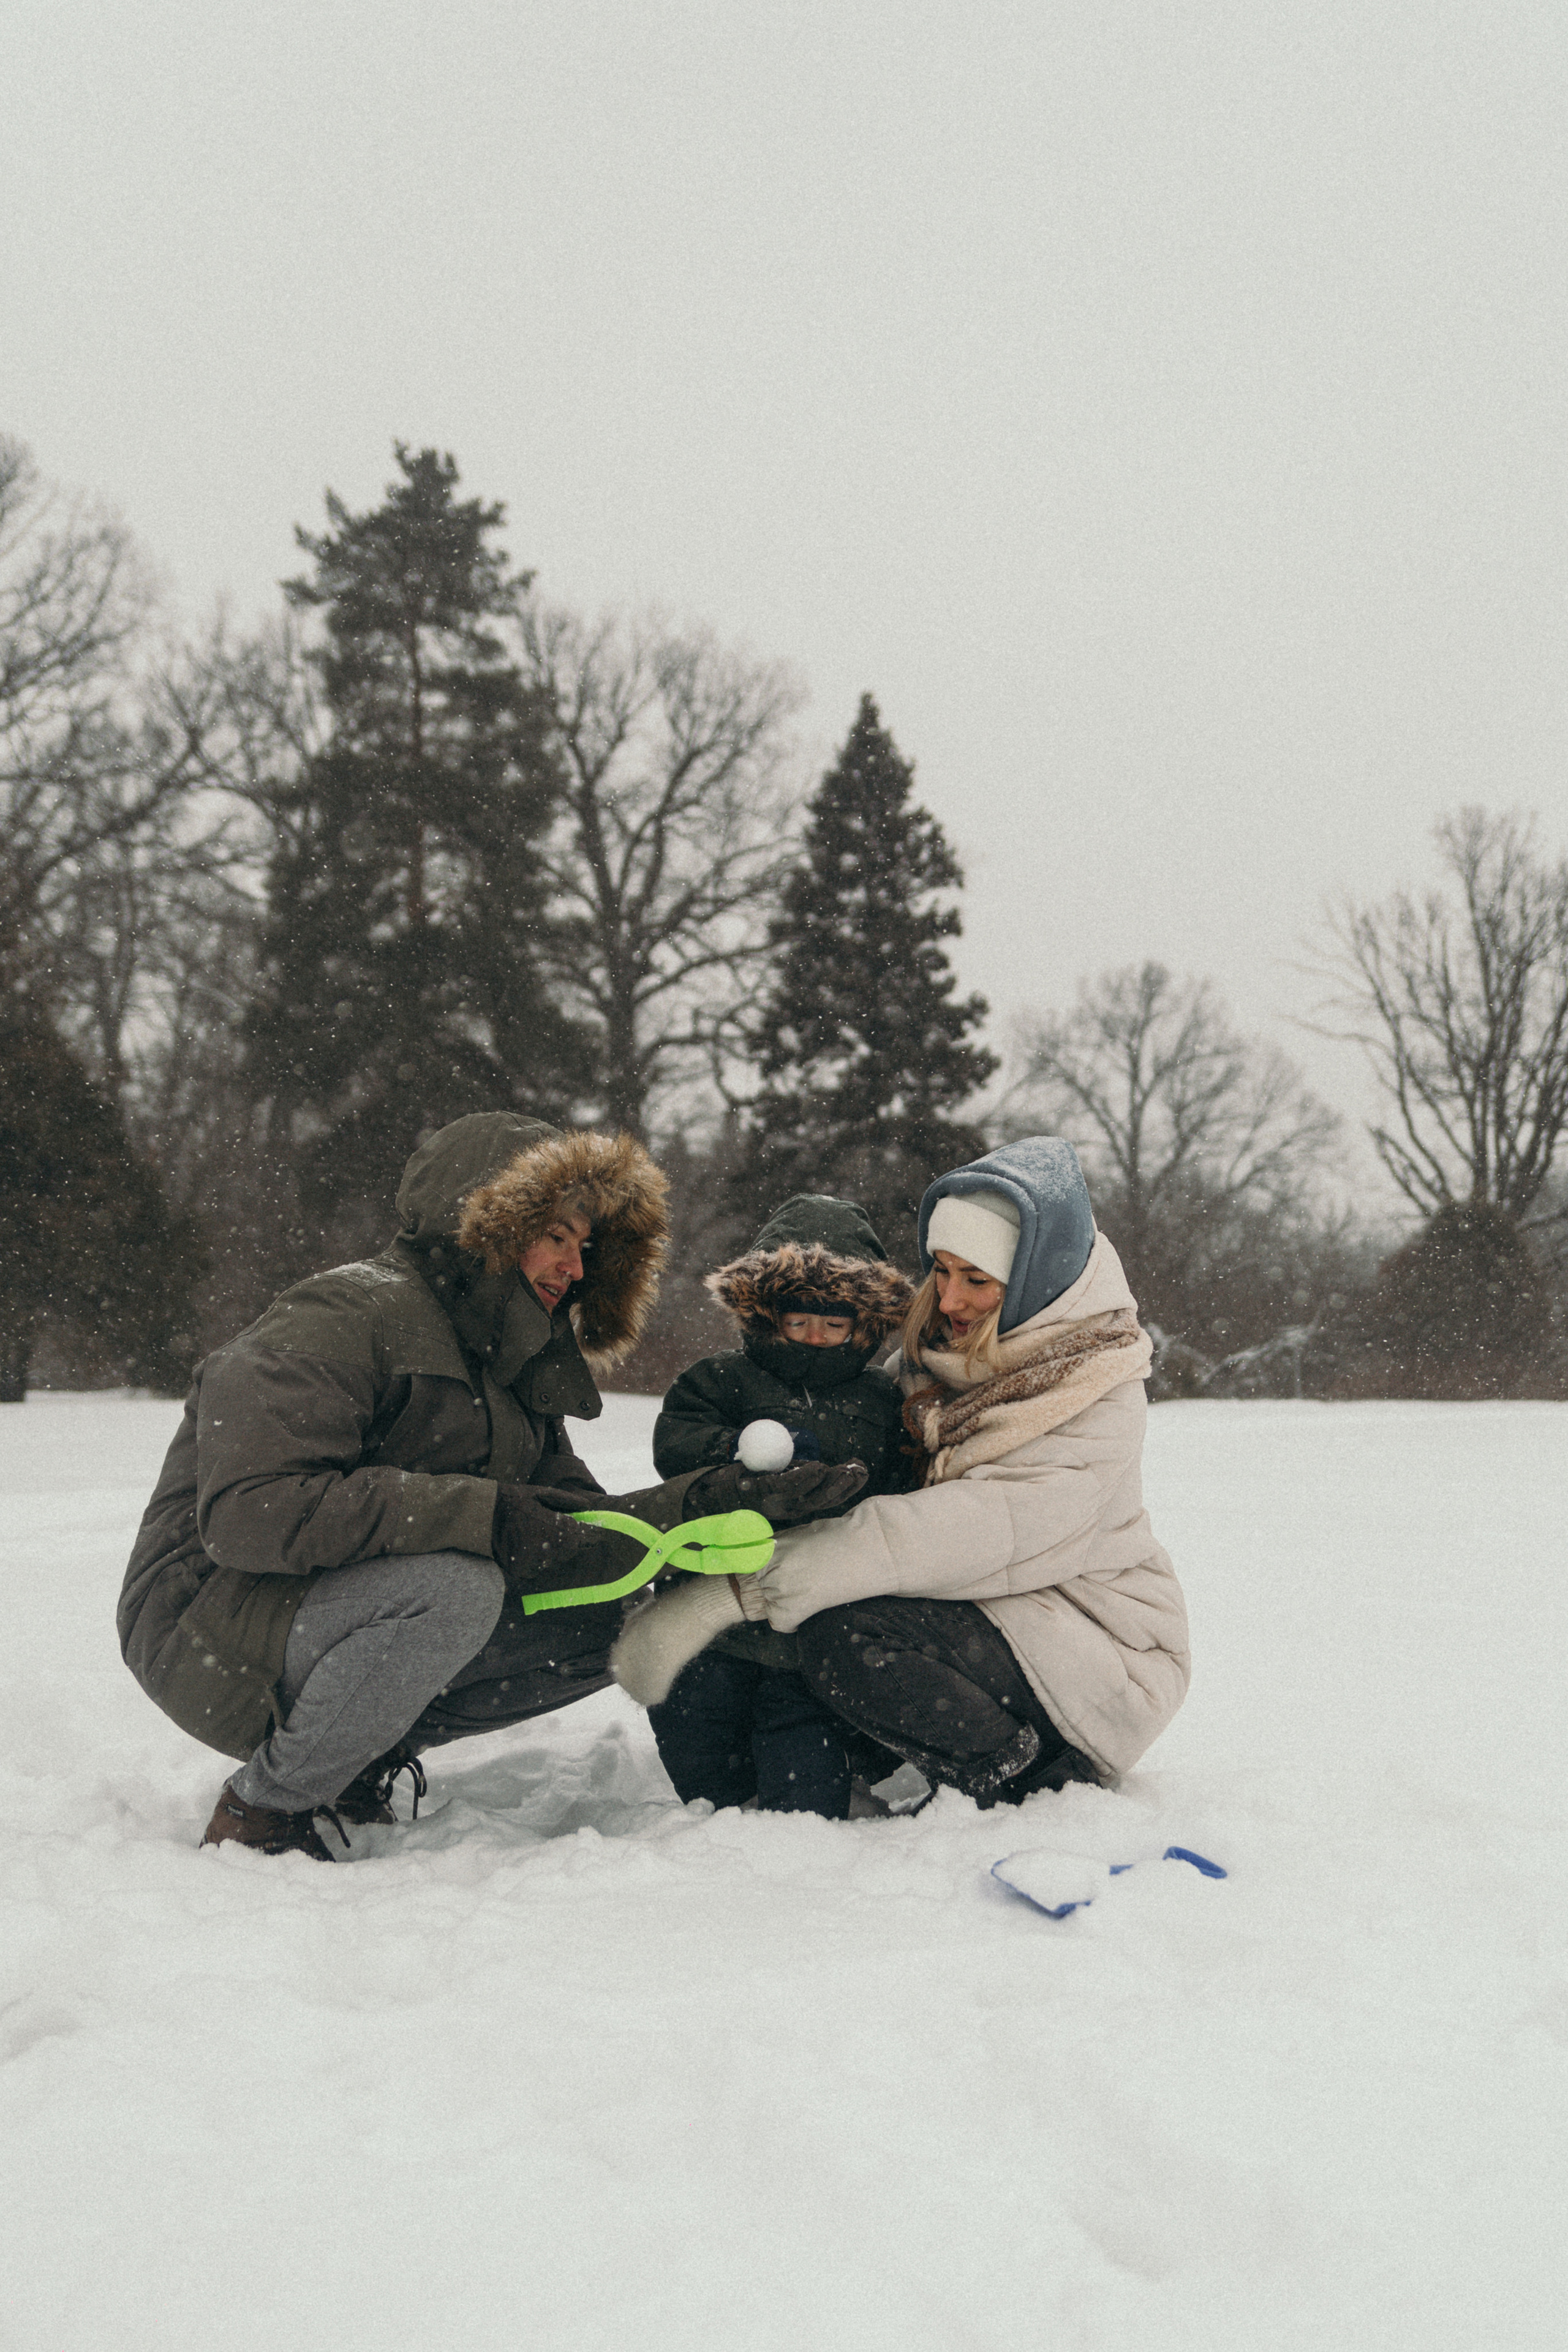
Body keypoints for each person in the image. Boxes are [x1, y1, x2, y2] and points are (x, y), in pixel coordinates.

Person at [118, 1113, 860, 1860]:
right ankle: (262, 1812)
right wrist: (485, 1515)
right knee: (458, 1586)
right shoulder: (344, 1311)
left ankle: (347, 1759)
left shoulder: (509, 1361)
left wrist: (711, 1500)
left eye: (586, 1247)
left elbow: (582, 1534)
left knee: (631, 1606)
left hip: (326, 1614)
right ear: (485, 1221)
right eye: (558, 1236)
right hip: (203, 1623)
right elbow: (252, 1514)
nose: (575, 1266)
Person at [613, 1139, 1189, 1806]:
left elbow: (982, 1529)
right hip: (977, 1616)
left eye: (976, 1279)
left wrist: (737, 1594)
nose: (947, 1299)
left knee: (847, 1636)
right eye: (940, 1271)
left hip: (1091, 1644)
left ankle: (1027, 1781)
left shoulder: (1094, 1385)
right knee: (798, 1707)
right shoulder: (935, 1365)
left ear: (1033, 1278)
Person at [641, 1195, 913, 1817]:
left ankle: (814, 1803)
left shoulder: (878, 1400)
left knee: (804, 1777)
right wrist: (739, 1457)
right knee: (699, 1745)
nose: (816, 1339)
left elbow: (900, 1488)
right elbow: (676, 1445)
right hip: (715, 1614)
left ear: (863, 1327)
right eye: (798, 1322)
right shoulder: (719, 1381)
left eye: (835, 1325)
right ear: (766, 1316)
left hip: (811, 1627)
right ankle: (723, 1811)